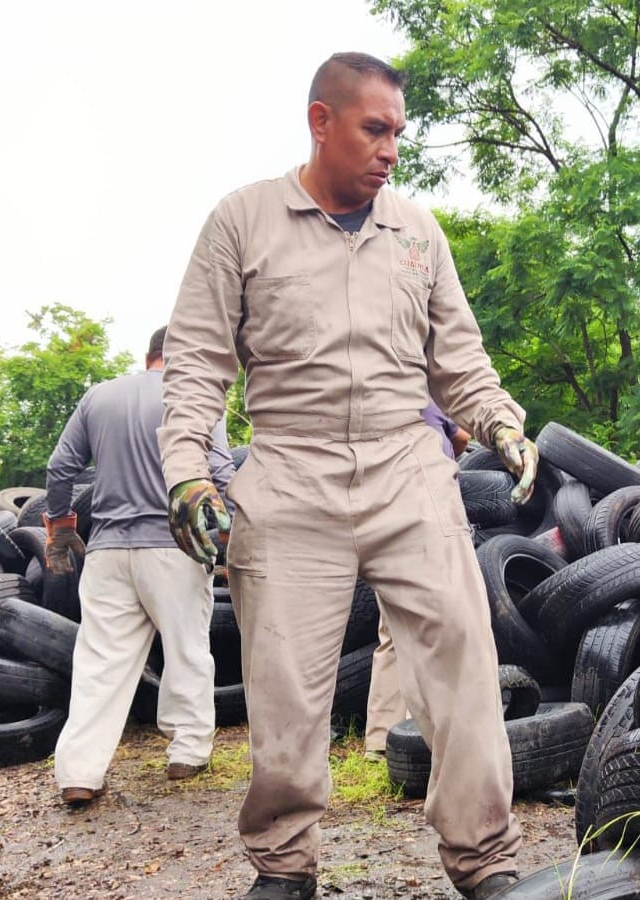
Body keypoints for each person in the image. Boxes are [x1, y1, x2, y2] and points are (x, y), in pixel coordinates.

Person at [156, 52, 538, 900]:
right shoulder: (243, 222)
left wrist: (502, 422)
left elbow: (461, 363)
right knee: (287, 688)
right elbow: (196, 368)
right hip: (291, 470)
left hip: (411, 467)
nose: (391, 150)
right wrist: (189, 473)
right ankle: (284, 869)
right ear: (320, 121)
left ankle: (485, 862)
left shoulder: (417, 231)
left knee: (463, 667)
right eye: (375, 129)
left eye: (399, 133)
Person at [44, 326, 236, 807]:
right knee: (186, 648)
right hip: (174, 547)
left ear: (147, 354)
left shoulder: (99, 397)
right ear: (188, 355)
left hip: (107, 551)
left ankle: (79, 774)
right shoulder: (196, 399)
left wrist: (62, 525)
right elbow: (222, 474)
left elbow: (59, 468)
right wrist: (232, 540)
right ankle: (186, 752)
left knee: (99, 662)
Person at [363, 399, 469, 762]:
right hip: (426, 518)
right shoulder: (424, 397)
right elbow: (463, 437)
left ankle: (380, 739)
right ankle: (421, 741)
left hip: (382, 517)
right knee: (430, 628)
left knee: (391, 632)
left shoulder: (375, 400)